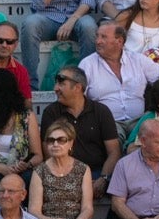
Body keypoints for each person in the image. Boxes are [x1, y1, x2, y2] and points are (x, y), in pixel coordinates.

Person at [41, 66, 120, 194]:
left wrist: (103, 178)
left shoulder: (101, 111)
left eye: (61, 83)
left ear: (77, 87)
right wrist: (69, 178)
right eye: (56, 83)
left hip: (97, 173)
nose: (55, 88)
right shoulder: (51, 112)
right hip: (63, 173)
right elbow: (48, 152)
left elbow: (114, 152)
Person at [28, 120, 95, 219]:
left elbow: (88, 208)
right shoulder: (39, 171)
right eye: (51, 140)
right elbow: (34, 210)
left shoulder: (83, 169)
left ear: (71, 143)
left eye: (61, 140)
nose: (55, 144)